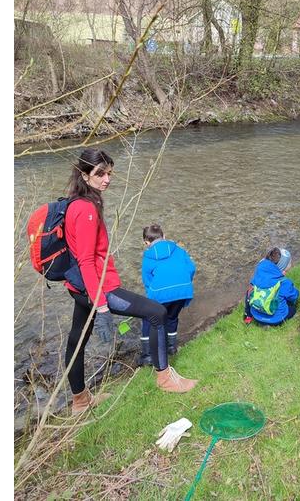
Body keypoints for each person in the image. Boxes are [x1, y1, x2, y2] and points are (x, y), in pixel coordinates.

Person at [61, 149, 198, 415]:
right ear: (84, 174)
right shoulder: (88, 210)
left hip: (79, 287)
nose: (106, 179)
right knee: (157, 312)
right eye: (100, 173)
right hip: (98, 288)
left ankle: (80, 401)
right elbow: (88, 261)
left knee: (76, 340)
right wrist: (102, 307)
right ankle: (165, 378)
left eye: (109, 173)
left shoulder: (76, 202)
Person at [139, 223, 196, 366]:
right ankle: (171, 348)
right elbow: (191, 268)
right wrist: (185, 284)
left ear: (146, 242)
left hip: (159, 293)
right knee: (172, 317)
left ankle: (147, 356)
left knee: (149, 319)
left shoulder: (148, 256)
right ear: (164, 236)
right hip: (183, 290)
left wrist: (151, 300)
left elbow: (147, 281)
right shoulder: (178, 249)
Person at [243, 247, 299, 327]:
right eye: (287, 268)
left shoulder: (259, 273)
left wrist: (248, 312)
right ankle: (270, 323)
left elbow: (249, 292)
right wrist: (295, 291)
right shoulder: (284, 282)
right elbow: (294, 296)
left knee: (250, 290)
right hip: (277, 319)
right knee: (292, 308)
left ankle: (248, 317)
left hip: (256, 315)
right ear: (283, 270)